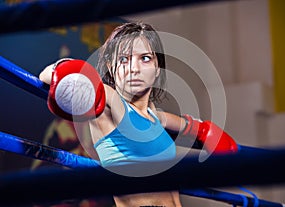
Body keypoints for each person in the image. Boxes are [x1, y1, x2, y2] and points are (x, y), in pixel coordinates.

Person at [39, 22, 239, 207]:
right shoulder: (108, 100)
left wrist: (204, 130)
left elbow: (190, 126)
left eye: (144, 58)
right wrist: (64, 71)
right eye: (124, 59)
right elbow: (47, 75)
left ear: (157, 68)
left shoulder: (154, 116)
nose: (134, 69)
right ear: (111, 66)